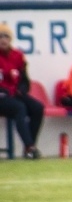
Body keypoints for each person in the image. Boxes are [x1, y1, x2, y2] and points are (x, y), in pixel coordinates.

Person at [0, 23, 43, 159]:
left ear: (10, 39)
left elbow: (25, 80)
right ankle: (30, 146)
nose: (3, 40)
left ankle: (29, 147)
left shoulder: (18, 56)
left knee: (37, 108)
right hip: (2, 96)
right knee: (20, 108)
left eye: (6, 36)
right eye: (0, 36)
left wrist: (22, 90)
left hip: (14, 94)